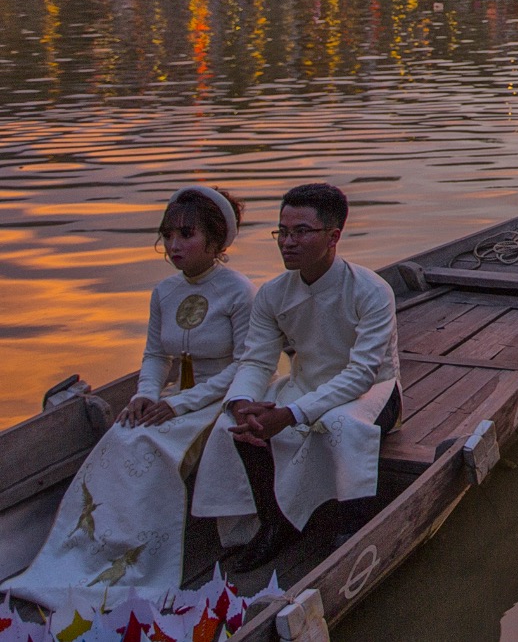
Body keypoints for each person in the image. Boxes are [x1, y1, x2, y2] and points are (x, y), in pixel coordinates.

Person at [3, 188, 254, 607]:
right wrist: (145, 394)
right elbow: (157, 355)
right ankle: (95, 551)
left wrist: (176, 405)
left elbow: (247, 364)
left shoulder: (239, 291)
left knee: (151, 444)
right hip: (174, 397)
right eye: (168, 234)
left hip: (222, 396)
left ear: (217, 240)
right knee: (122, 434)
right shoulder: (164, 292)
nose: (174, 245)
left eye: (186, 234)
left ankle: (142, 558)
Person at [193, 184, 399, 574]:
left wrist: (290, 415)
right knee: (233, 425)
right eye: (282, 232)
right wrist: (242, 403)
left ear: (333, 236)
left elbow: (361, 373)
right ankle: (274, 524)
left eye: (301, 232)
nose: (287, 242)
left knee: (341, 424)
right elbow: (255, 360)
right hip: (306, 383)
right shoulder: (272, 294)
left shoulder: (372, 291)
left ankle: (352, 526)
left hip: (374, 391)